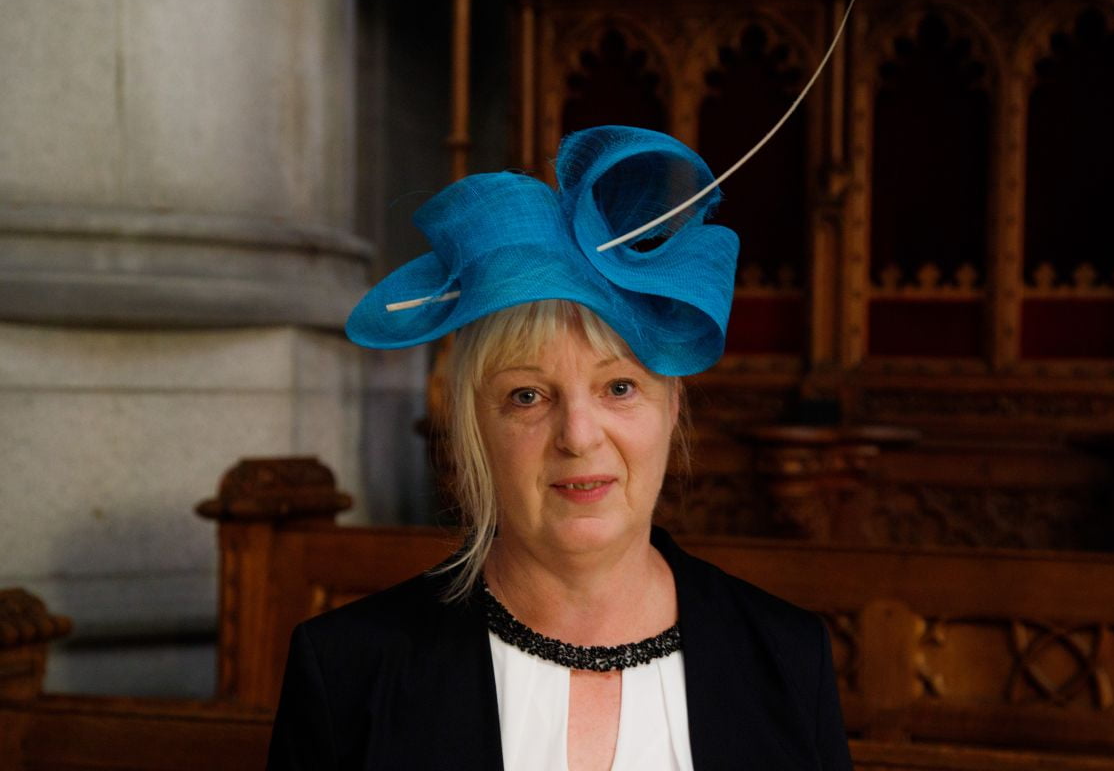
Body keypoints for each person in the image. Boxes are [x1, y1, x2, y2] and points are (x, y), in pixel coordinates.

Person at [267, 126, 851, 770]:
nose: (578, 436)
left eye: (619, 388)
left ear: (671, 408)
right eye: (527, 396)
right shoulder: (348, 671)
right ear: (474, 429)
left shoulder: (788, 659)